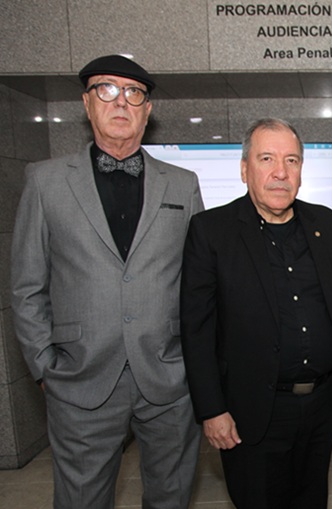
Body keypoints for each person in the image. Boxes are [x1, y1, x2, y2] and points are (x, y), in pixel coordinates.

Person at [10, 54, 204, 508]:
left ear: (147, 110)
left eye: (134, 93)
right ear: (87, 103)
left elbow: (199, 282)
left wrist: (197, 361)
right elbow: (26, 285)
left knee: (171, 496)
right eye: (107, 90)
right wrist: (45, 367)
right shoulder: (45, 181)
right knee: (81, 499)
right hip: (79, 377)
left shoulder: (182, 183)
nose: (121, 102)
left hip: (169, 376)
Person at [180, 118, 332, 508]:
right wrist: (212, 409)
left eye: (291, 160)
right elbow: (197, 330)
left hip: (320, 407)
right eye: (267, 159)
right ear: (245, 169)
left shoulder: (327, 225)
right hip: (251, 411)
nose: (281, 172)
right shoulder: (212, 231)